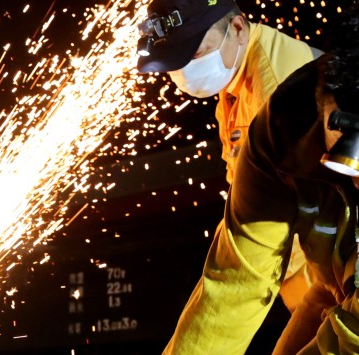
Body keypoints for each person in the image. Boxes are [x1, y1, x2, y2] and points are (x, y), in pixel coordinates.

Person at [87, 3, 359, 355]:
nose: (345, 162)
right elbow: (234, 284)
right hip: (336, 288)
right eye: (340, 131)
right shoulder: (282, 118)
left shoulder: (276, 76)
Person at [136, 0, 322, 310]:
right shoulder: (238, 75)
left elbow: (272, 223)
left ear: (237, 28)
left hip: (321, 272)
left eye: (193, 55)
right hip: (301, 271)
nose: (183, 72)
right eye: (176, 61)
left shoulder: (276, 90)